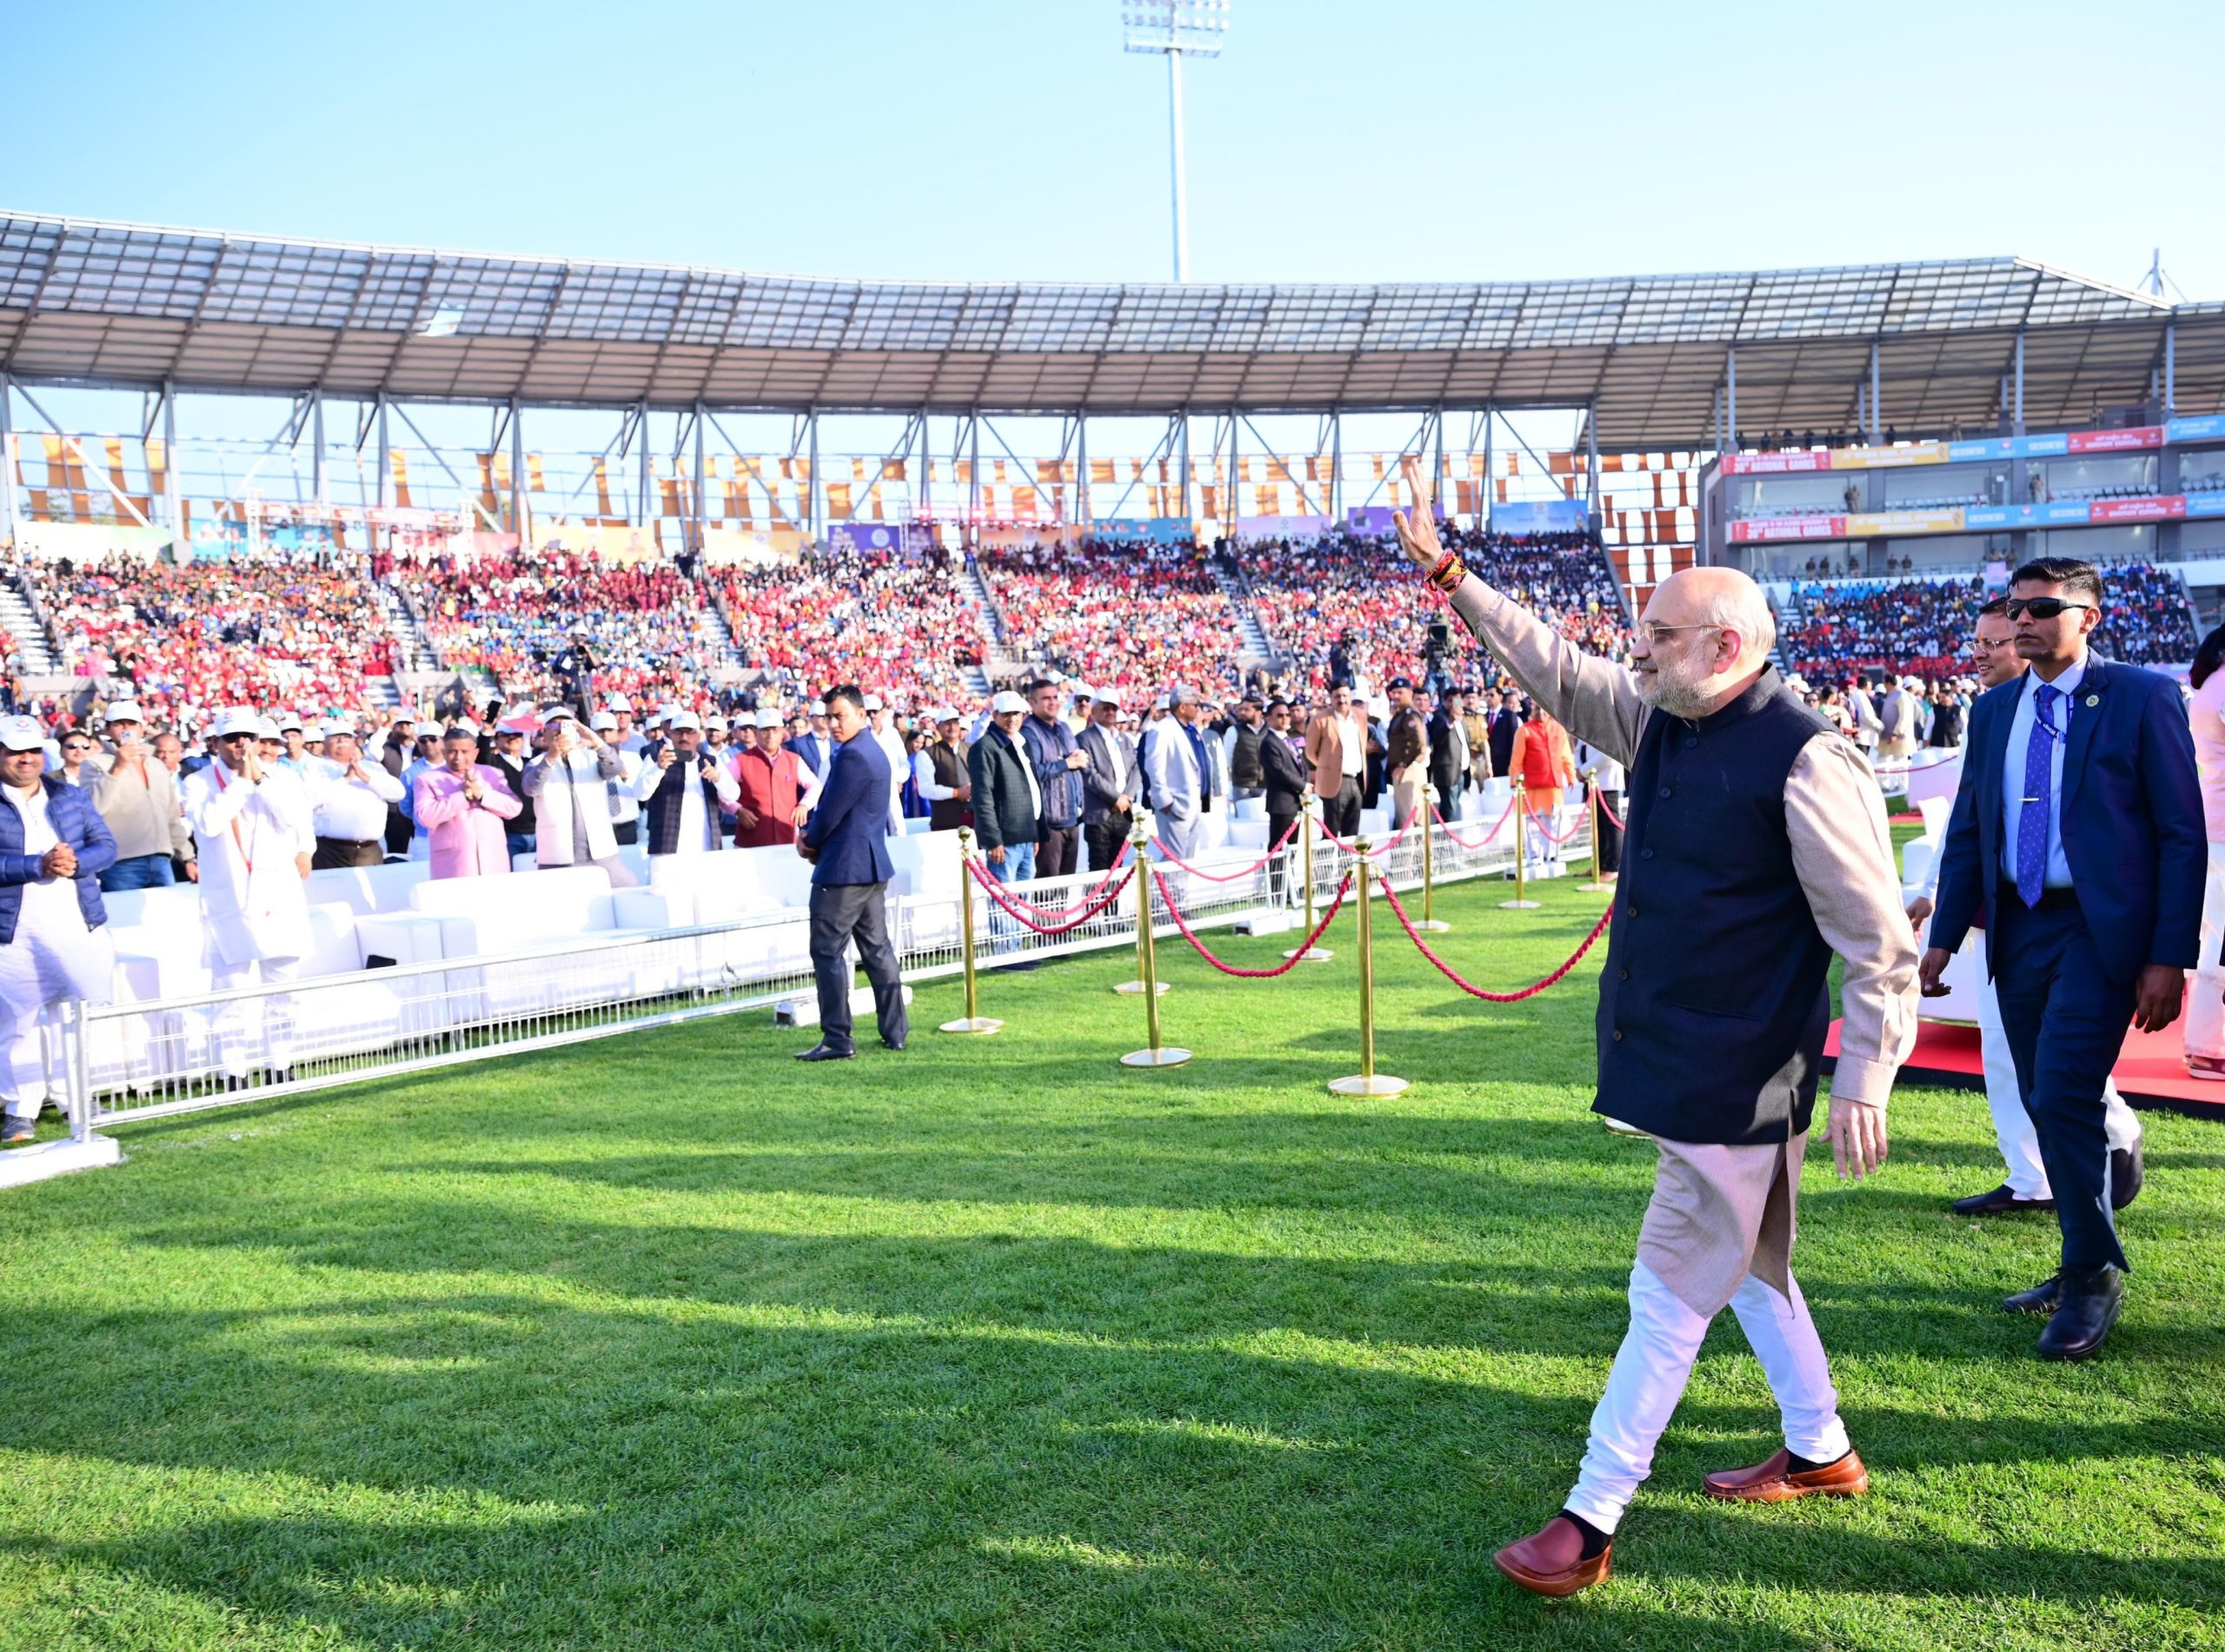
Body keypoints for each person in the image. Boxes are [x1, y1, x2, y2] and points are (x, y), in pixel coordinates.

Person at [1393, 456, 1916, 1597]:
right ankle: (1822, 1448)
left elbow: (1877, 942)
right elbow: (1556, 667)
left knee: (1666, 1292)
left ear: (1725, 648)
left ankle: (1589, 1517)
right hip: (1684, 1061)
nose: (1635, 658)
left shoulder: (1807, 760)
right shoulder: (1665, 716)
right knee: (1753, 1273)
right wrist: (1452, 576)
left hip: (1742, 1075)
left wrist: (1866, 1077)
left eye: (1657, 641)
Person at [1924, 556, 2203, 1362]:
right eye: (2016, 607)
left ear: (2089, 616)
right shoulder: (1995, 708)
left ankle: (2090, 1273)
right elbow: (1972, 830)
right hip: (2020, 927)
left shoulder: (2142, 698)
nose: (2023, 621)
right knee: (2050, 1103)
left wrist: (2167, 954)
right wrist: (1943, 936)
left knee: (2063, 1088)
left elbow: (2182, 833)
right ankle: (2087, 1248)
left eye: (2043, 606)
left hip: (2100, 929)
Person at [1906, 600, 2144, 1212]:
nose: (1981, 652)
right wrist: (1937, 900)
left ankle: (2112, 1134)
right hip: (2000, 913)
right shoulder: (1989, 716)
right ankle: (2030, 1176)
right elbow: (1969, 821)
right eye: (1979, 640)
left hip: (2077, 921)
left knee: (2060, 1052)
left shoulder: (2100, 708)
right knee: (2006, 1051)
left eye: (1995, 641)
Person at [0, 713, 118, 1145]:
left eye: (32, 751)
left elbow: (106, 846)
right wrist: (37, 866)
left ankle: (77, 1099)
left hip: (73, 920)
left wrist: (75, 863)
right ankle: (20, 1109)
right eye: (15, 751)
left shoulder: (68, 796)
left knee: (73, 1014)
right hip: (12, 928)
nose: (25, 759)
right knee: (17, 1019)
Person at [183, 707, 316, 1078]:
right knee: (230, 992)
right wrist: (242, 782)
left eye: (249, 737)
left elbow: (294, 819)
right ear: (216, 743)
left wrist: (260, 781)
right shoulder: (199, 782)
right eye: (232, 738)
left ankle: (281, 1064)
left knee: (284, 989)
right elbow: (208, 824)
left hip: (278, 895)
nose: (241, 744)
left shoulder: (282, 778)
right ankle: (233, 1070)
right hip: (230, 898)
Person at [795, 685, 908, 1061]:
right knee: (877, 950)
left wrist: (808, 839)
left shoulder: (853, 755)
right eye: (828, 716)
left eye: (839, 715)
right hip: (871, 865)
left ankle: (837, 1040)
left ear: (862, 714)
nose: (832, 723)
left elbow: (830, 813)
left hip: (845, 870)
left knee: (827, 952)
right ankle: (895, 1032)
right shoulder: (872, 750)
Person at [521, 708, 637, 887]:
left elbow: (615, 768)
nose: (560, 730)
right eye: (554, 725)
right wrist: (551, 756)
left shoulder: (591, 757)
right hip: (557, 852)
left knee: (628, 886)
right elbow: (531, 789)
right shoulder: (536, 763)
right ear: (545, 732)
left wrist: (596, 741)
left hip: (599, 848)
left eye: (566, 725)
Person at [90, 700, 194, 892]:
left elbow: (171, 817)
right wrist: (117, 768)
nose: (125, 728)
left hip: (162, 860)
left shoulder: (156, 765)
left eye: (131, 724)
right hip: (120, 864)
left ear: (141, 728)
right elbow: (94, 809)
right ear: (107, 729)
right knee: (126, 920)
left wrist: (188, 857)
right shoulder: (94, 763)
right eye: (118, 724)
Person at [2187, 624, 2225, 1079]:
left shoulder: (2209, 686)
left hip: (2212, 819)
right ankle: (2208, 1045)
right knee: (2218, 938)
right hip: (2220, 824)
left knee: (2215, 932)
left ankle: (2206, 1042)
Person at [414, 723, 522, 879]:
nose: (458, 757)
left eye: (464, 752)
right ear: (444, 752)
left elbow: (514, 808)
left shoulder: (491, 774)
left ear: (476, 753)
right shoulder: (427, 779)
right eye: (452, 752)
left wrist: (482, 795)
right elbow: (425, 817)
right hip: (453, 865)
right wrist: (462, 797)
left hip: (493, 862)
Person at [636, 710, 740, 858]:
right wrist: (658, 769)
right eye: (679, 732)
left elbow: (733, 795)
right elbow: (640, 794)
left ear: (698, 736)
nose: (684, 737)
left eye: (689, 732)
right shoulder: (655, 759)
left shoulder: (711, 762)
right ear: (670, 734)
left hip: (706, 848)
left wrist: (718, 779)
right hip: (667, 850)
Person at [968, 690, 1043, 889]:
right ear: (995, 716)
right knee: (1005, 906)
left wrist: (1033, 833)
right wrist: (993, 840)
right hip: (1004, 840)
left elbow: (1030, 790)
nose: (1012, 719)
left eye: (1017, 714)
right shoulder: (985, 747)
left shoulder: (1021, 743)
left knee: (1023, 902)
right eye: (1007, 714)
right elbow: (982, 797)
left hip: (1026, 835)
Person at [305, 721, 406, 869]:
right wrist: (346, 779)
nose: (341, 740)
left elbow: (398, 793)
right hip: (329, 851)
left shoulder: (372, 767)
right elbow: (310, 800)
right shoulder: (313, 767)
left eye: (346, 736)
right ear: (324, 743)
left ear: (354, 742)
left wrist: (364, 776)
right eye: (335, 737)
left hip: (369, 851)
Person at [1020, 678, 1089, 878]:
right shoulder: (1029, 732)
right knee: (1048, 887)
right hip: (1049, 822)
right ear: (1032, 703)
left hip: (1071, 817)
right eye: (1045, 699)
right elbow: (1032, 774)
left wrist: (1081, 759)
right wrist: (1066, 764)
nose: (1052, 702)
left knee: (1066, 883)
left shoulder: (1064, 728)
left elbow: (1077, 760)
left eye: (1055, 697)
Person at [1142, 686, 1210, 868]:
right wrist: (1165, 802)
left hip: (1194, 804)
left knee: (1187, 860)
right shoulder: (1162, 729)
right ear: (1182, 707)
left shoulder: (1191, 729)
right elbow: (1154, 768)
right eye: (1195, 705)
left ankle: (1181, 896)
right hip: (1175, 807)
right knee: (1174, 861)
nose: (1198, 709)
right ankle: (1168, 896)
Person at [1078, 689, 1142, 875]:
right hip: (1099, 814)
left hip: (1123, 813)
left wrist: (1127, 796)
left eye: (1114, 708)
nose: (1110, 712)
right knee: (1099, 870)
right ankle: (1099, 906)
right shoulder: (1084, 738)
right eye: (1105, 708)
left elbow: (1135, 769)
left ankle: (1114, 905)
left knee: (1117, 867)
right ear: (1094, 710)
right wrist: (1117, 799)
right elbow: (1090, 775)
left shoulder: (1124, 739)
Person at [733, 707, 815, 849]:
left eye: (775, 730)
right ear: (756, 733)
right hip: (751, 841)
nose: (770, 735)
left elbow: (815, 786)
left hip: (787, 838)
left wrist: (804, 805)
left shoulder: (793, 760)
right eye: (765, 730)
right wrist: (737, 809)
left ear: (782, 733)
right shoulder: (740, 760)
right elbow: (722, 790)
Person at [1259, 697, 1310, 904]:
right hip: (1281, 803)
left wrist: (1305, 782)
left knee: (1291, 849)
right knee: (1279, 849)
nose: (1285, 719)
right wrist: (1303, 785)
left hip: (1294, 801)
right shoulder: (1269, 742)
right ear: (1268, 718)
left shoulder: (1286, 739)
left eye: (1287, 714)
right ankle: (1277, 891)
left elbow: (1299, 765)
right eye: (1279, 715)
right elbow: (1279, 772)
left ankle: (1286, 889)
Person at [1304, 683, 1365, 839]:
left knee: (1352, 830)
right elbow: (1310, 752)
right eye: (1337, 696)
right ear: (1331, 698)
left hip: (1357, 779)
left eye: (1345, 696)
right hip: (1334, 781)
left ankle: (1350, 863)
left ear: (1350, 697)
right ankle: (1327, 864)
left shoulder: (1359, 716)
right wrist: (1327, 766)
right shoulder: (1321, 719)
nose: (1342, 700)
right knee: (1331, 830)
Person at [912, 708, 973, 833]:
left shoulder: (971, 749)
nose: (952, 727)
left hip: (974, 819)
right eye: (947, 724)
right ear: (938, 727)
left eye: (955, 723)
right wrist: (956, 793)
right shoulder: (927, 754)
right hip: (945, 822)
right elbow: (925, 789)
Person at [596, 711, 647, 846]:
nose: (605, 735)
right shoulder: (586, 761)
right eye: (600, 731)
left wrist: (625, 777)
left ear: (616, 732)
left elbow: (641, 791)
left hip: (628, 824)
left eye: (609, 730)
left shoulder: (632, 758)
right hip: (598, 826)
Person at [1384, 677, 1428, 830]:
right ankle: (1416, 853)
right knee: (1409, 817)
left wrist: (1403, 764)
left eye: (1400, 693)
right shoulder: (1401, 714)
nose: (1396, 696)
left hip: (1408, 770)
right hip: (1407, 768)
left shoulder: (1410, 714)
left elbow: (1418, 742)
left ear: (1410, 693)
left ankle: (1409, 854)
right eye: (1394, 693)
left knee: (1407, 818)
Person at [1426, 686, 1469, 823]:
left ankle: (1448, 840)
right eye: (1450, 701)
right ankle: (1444, 842)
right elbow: (1436, 739)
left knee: (1453, 809)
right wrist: (1449, 722)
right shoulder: (1440, 717)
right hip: (1447, 773)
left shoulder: (1462, 718)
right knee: (1449, 812)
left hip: (1461, 771)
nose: (1453, 704)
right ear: (1444, 701)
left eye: (1456, 700)